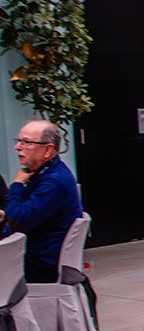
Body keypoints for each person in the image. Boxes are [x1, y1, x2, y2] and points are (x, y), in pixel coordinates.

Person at [5, 121, 85, 282]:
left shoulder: (54, 181)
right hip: (40, 256)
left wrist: (17, 184)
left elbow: (17, 221)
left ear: (48, 150)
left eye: (26, 142)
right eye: (19, 141)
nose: (18, 147)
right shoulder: (44, 173)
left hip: (42, 264)